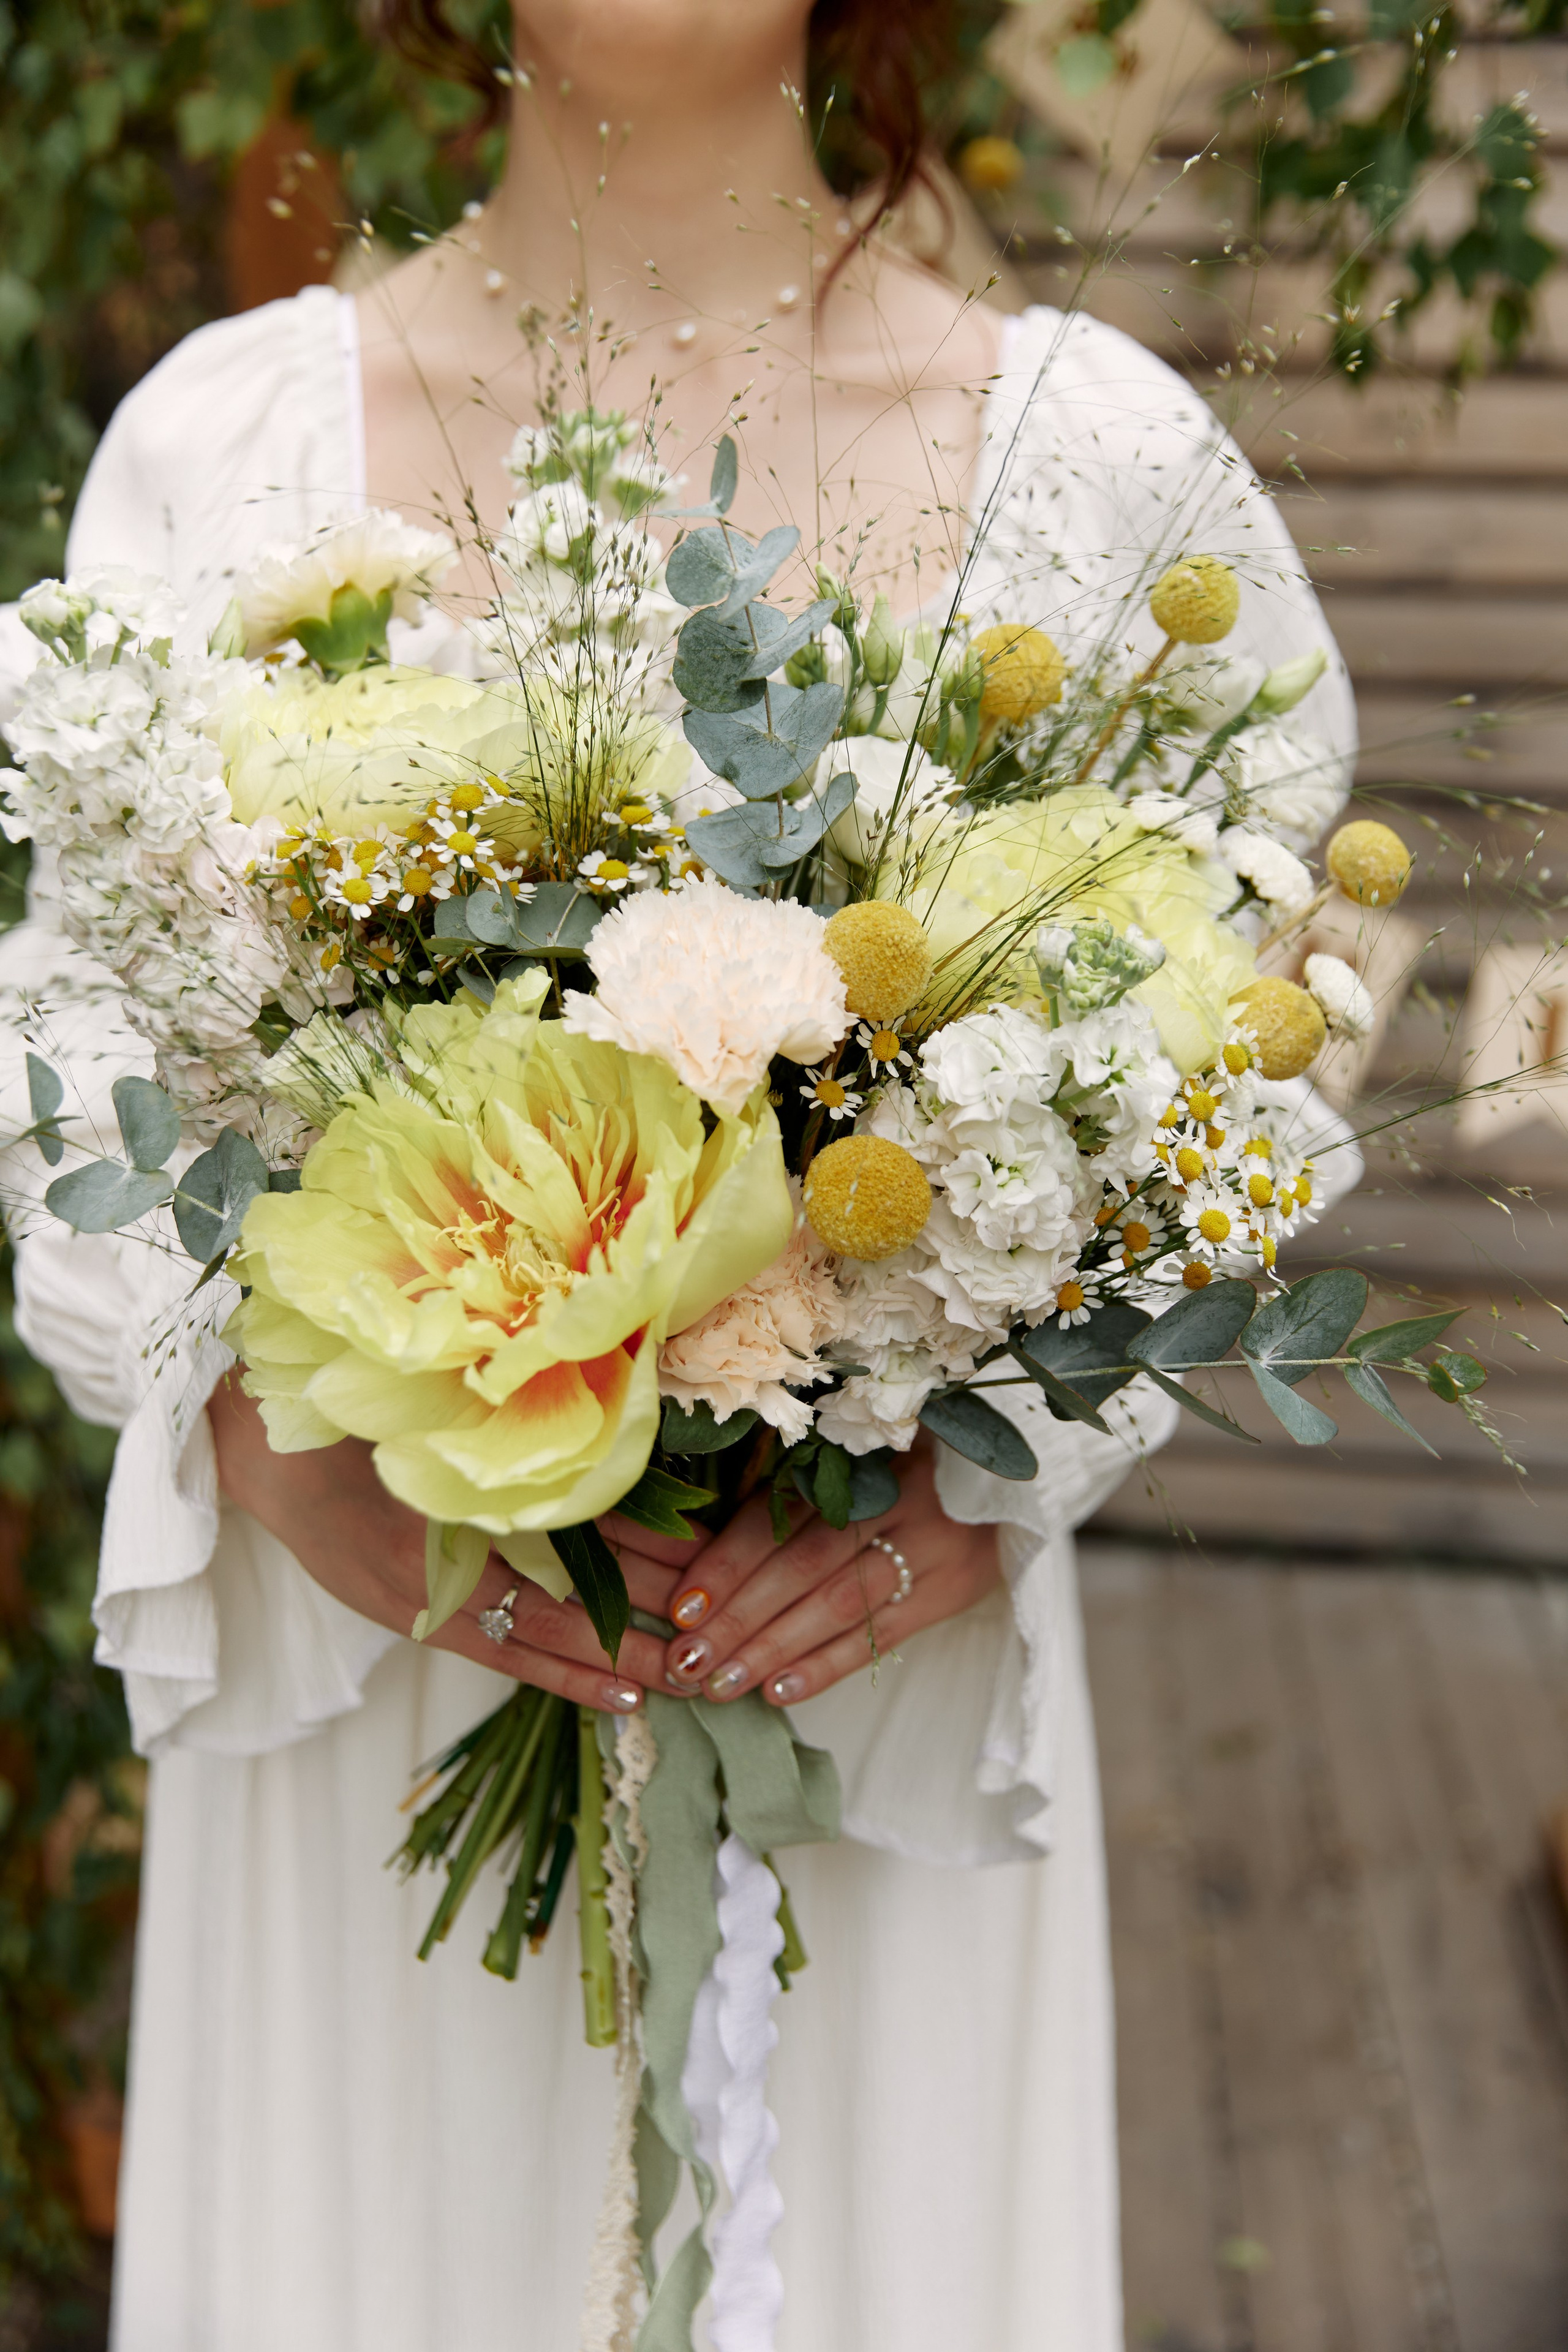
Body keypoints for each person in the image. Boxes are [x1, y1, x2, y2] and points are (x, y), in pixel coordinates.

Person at [0, 3, 1357, 2345]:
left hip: (852, 1683)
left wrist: (990, 1465)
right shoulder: (223, 446)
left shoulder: (1096, 470)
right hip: (388, 1658)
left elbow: (1280, 1006)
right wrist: (258, 1426)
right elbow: (69, 1037)